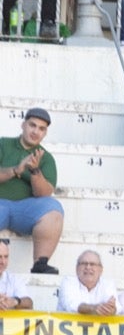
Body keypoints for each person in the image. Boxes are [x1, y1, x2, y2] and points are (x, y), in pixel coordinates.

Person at [0, 108, 60, 277]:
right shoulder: (3, 144)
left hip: (24, 210)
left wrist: (34, 171)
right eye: (32, 125)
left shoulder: (46, 158)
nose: (35, 131)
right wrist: (16, 170)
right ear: (23, 125)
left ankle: (40, 264)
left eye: (41, 129)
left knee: (53, 208)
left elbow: (44, 193)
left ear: (45, 133)